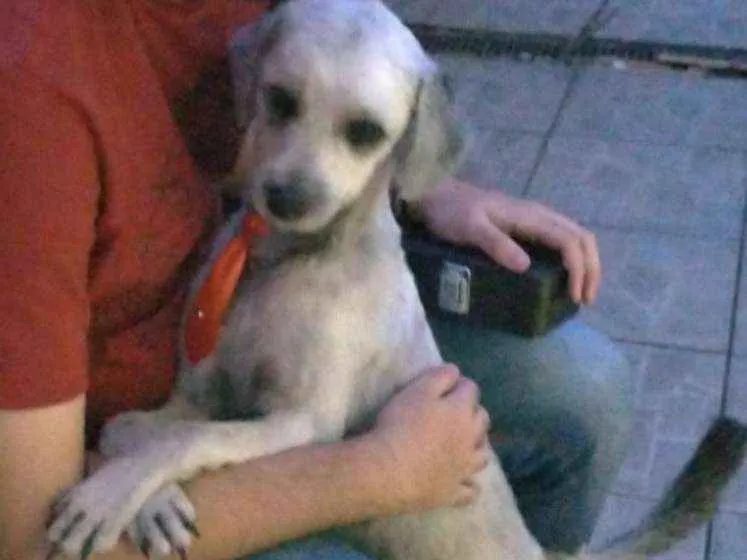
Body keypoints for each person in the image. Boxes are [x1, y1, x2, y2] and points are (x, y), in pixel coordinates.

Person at [0, 1, 633, 559]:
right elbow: (27, 542)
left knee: (589, 390)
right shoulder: (33, 91)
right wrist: (385, 473)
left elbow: (355, 66)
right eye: (281, 105)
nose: (293, 184)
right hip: (109, 417)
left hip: (258, 311)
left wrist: (431, 189)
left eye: (362, 135)